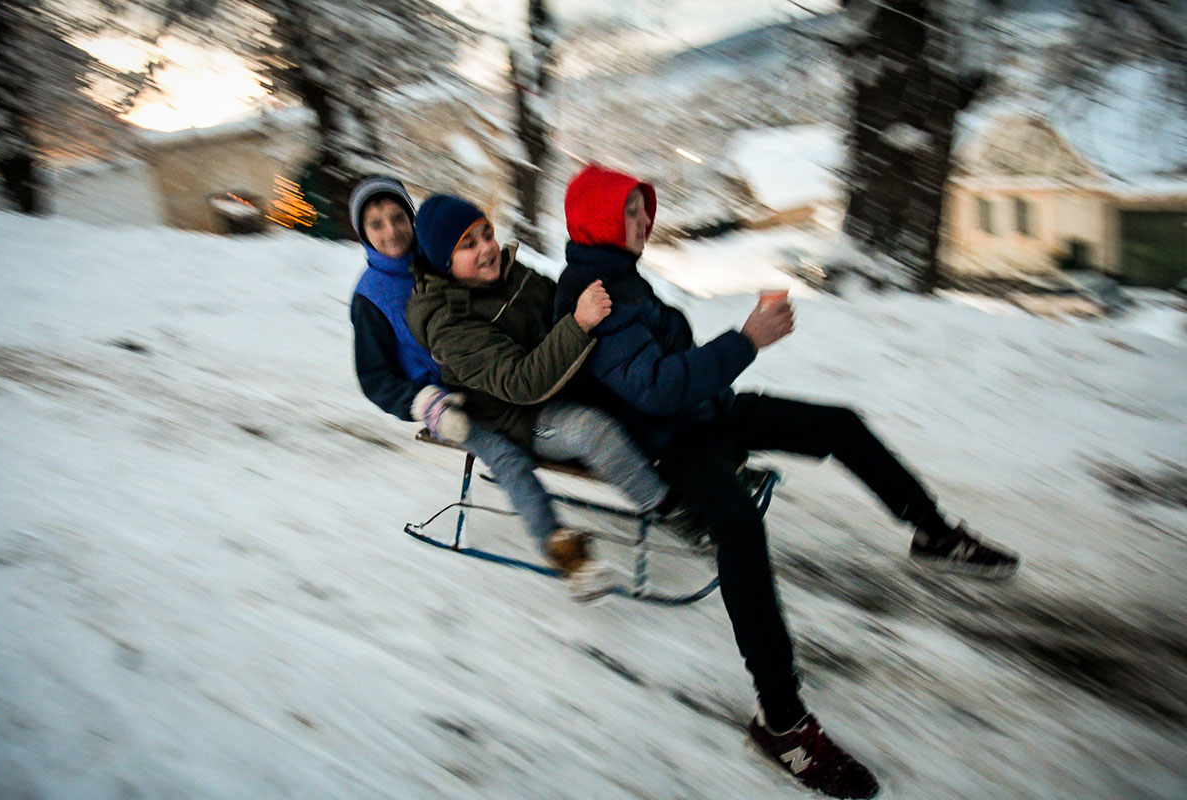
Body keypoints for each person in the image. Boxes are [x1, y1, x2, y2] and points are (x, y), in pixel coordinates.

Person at [552, 163, 1022, 799]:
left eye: (643, 209)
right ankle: (782, 723)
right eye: (628, 212)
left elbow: (673, 371)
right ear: (598, 218)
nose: (642, 222)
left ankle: (934, 532)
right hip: (672, 443)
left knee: (839, 425)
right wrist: (745, 340)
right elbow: (656, 391)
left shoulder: (621, 277)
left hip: (708, 413)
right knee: (740, 528)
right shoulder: (595, 290)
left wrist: (729, 359)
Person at [404, 193, 688, 599]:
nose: (487, 248)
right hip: (517, 415)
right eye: (468, 245)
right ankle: (672, 508)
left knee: (640, 383)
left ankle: (705, 454)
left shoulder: (512, 274)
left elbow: (557, 300)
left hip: (558, 381)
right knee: (594, 431)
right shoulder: (449, 325)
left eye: (486, 233)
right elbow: (522, 383)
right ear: (443, 263)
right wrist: (578, 323)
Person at [348, 175, 618, 601]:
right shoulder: (370, 297)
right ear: (363, 233)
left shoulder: (441, 254)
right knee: (508, 458)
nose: (391, 231)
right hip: (449, 405)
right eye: (376, 224)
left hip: (493, 376)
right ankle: (566, 553)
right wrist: (424, 404)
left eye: (397, 217)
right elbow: (374, 377)